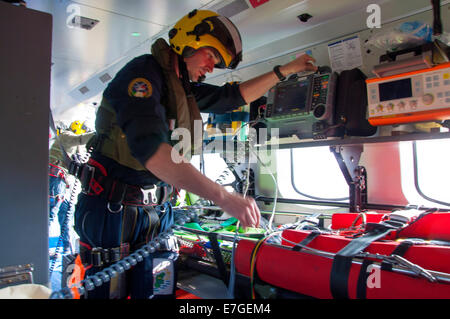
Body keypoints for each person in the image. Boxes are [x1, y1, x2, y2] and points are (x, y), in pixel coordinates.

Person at [73, 9, 317, 299]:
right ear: (189, 40)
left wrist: (285, 71)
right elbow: (154, 153)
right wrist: (225, 198)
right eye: (211, 56)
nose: (212, 67)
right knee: (110, 293)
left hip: (156, 211)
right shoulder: (143, 76)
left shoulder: (181, 85)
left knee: (158, 290)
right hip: (113, 210)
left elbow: (230, 97)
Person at [49, 120, 95, 254]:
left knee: (65, 215)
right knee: (51, 213)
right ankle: (39, 249)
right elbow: (81, 139)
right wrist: (99, 133)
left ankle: (67, 248)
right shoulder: (66, 136)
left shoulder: (69, 147)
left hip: (60, 182)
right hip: (55, 180)